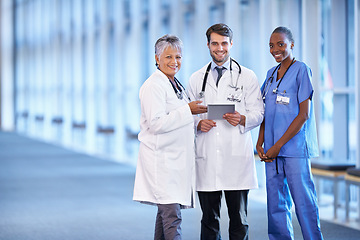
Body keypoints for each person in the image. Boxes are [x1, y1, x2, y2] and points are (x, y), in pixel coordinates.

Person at [187, 23, 264, 240]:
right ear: (208, 45)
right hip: (207, 156)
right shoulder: (196, 78)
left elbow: (259, 112)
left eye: (224, 43)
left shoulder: (247, 76)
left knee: (239, 219)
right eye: (215, 43)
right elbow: (188, 114)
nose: (219, 48)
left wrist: (242, 119)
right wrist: (197, 124)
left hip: (236, 157)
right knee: (209, 219)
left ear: (231, 44)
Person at [133, 34, 207, 240]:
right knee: (172, 217)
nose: (174, 62)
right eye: (168, 57)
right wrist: (188, 111)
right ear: (157, 58)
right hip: (162, 162)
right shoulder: (153, 86)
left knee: (165, 216)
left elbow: (177, 118)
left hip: (175, 162)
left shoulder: (174, 84)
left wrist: (198, 123)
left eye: (178, 57)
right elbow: (156, 123)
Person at [256, 26, 323, 240]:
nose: (276, 49)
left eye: (281, 44)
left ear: (291, 45)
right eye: (271, 46)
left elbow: (303, 115)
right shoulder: (270, 74)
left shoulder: (302, 70)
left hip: (294, 150)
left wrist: (276, 146)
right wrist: (260, 141)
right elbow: (265, 111)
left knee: (304, 203)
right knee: (276, 204)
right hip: (272, 151)